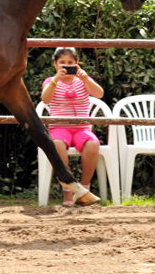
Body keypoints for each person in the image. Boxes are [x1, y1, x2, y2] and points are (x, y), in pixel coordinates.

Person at [41, 47, 104, 206]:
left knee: (92, 144)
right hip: (59, 128)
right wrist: (56, 79)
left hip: (82, 128)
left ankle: (84, 189)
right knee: (57, 145)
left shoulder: (83, 80)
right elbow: (45, 99)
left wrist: (86, 79)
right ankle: (68, 192)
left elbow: (99, 94)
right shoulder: (50, 81)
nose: (66, 66)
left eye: (70, 62)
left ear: (77, 64)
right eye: (62, 62)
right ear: (55, 64)